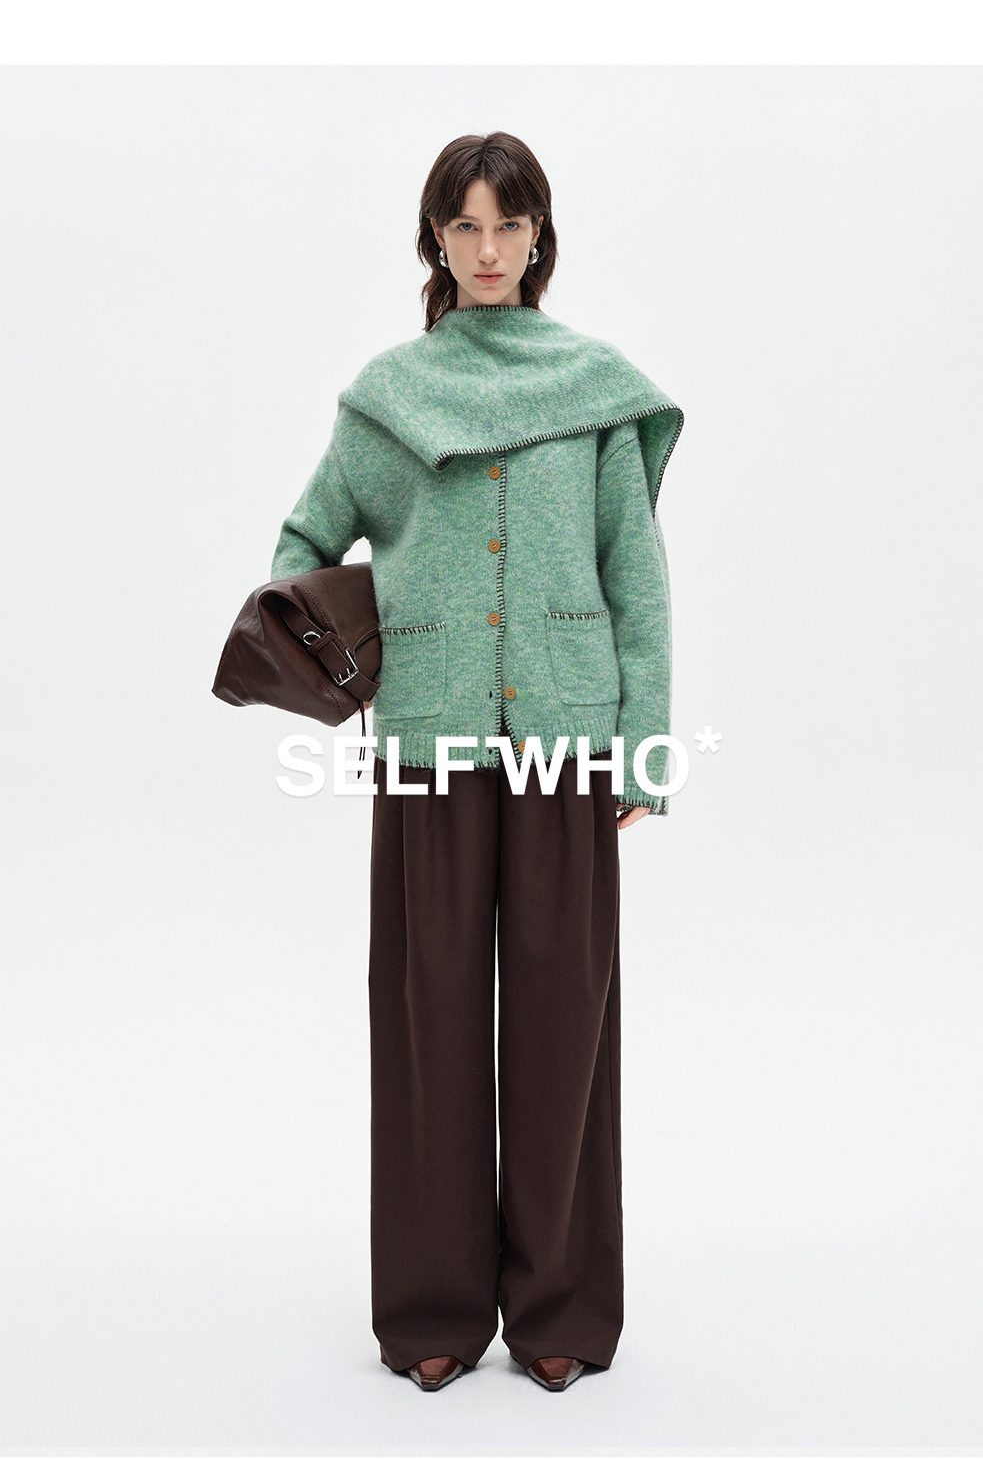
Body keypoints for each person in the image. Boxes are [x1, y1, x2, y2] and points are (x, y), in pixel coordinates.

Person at [270, 132, 683, 1392]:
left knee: (566, 1030)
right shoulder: (388, 400)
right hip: (429, 743)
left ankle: (561, 1306)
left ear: (539, 236)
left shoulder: (594, 390)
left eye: (510, 225)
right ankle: (433, 1307)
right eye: (466, 226)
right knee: (428, 1023)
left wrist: (642, 751)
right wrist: (338, 658)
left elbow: (635, 578)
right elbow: (304, 541)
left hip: (568, 743)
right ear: (435, 241)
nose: (489, 249)